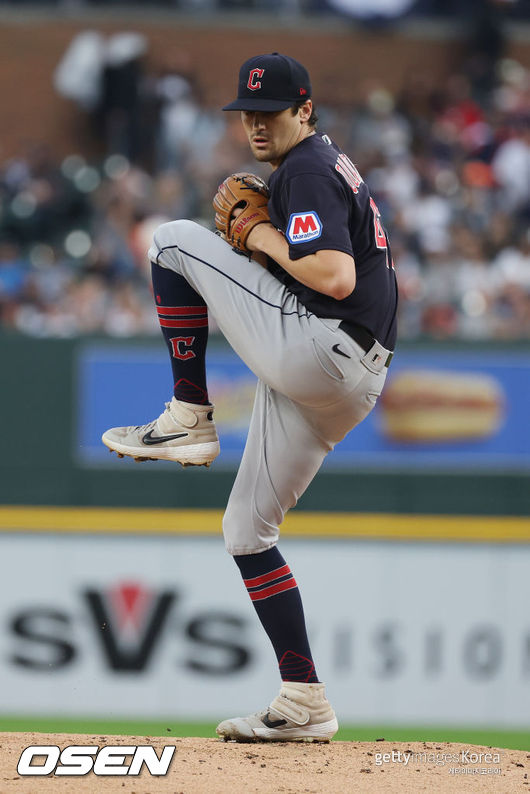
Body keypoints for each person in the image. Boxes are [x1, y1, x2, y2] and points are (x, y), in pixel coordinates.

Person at [102, 53, 398, 742]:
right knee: (246, 533)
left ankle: (188, 415)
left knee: (171, 240)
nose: (257, 124)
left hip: (323, 347)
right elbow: (315, 273)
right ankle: (304, 698)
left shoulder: (307, 168)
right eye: (248, 113)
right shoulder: (315, 167)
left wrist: (257, 233)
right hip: (345, 379)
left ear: (305, 109)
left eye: (270, 111)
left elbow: (332, 273)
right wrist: (266, 245)